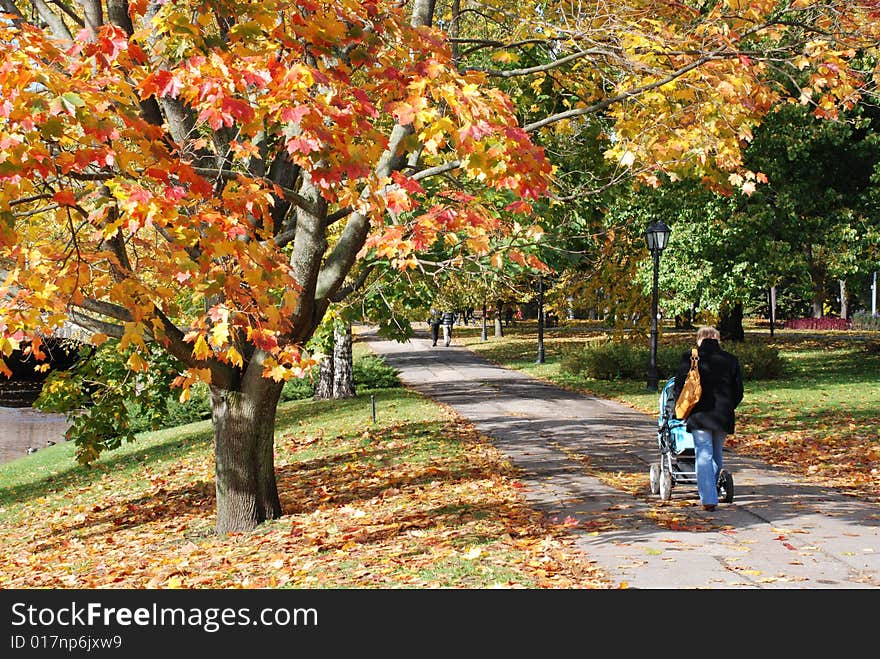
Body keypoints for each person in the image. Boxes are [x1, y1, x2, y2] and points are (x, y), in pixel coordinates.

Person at [673, 326, 744, 511]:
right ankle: (711, 490)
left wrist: (682, 409)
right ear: (717, 339)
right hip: (722, 415)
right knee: (716, 453)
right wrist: (728, 407)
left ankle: (708, 498)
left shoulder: (690, 358)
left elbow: (679, 387)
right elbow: (739, 392)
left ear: (699, 339)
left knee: (703, 453)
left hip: (699, 415)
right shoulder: (730, 360)